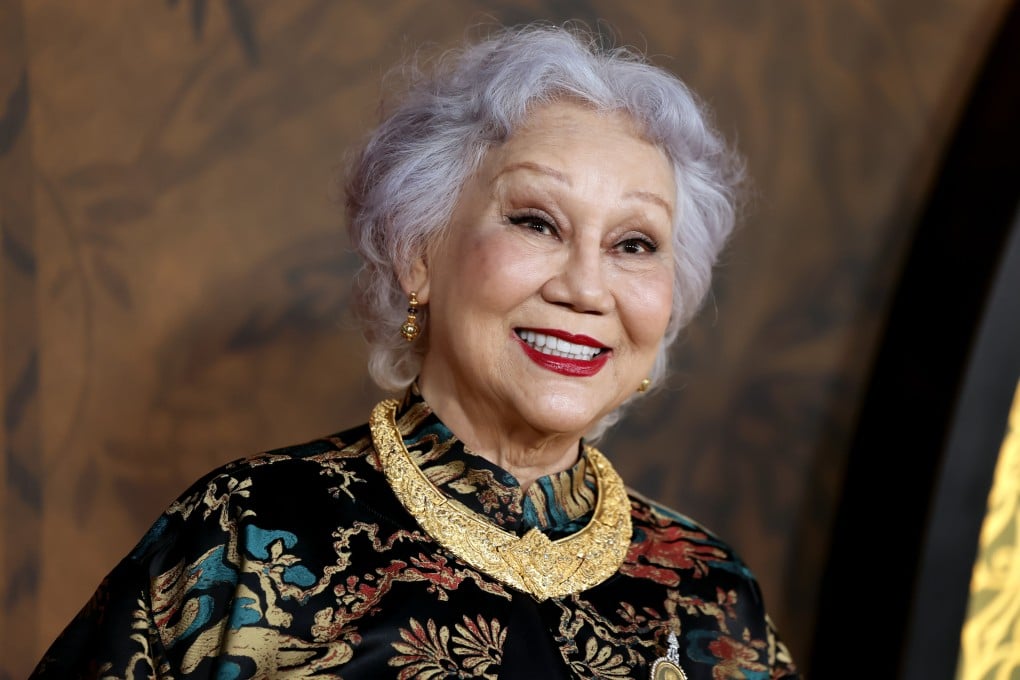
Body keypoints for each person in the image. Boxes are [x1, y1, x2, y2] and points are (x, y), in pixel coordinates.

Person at [29, 22, 799, 679]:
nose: (587, 288)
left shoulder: (711, 590)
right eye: (536, 222)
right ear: (418, 253)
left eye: (635, 243)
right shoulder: (245, 535)